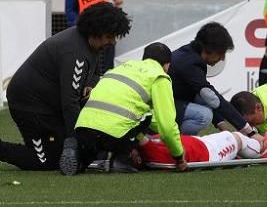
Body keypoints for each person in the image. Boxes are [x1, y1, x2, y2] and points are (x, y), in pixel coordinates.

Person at [0, 2, 131, 172]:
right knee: (45, 161)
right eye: (109, 36)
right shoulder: (75, 54)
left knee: (68, 147)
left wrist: (89, 85)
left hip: (50, 104)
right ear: (95, 31)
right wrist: (73, 142)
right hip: (30, 105)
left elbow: (94, 74)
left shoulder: (90, 44)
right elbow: (70, 103)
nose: (113, 42)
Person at [68, 42, 187, 175]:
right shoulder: (159, 76)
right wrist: (179, 155)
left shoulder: (121, 68)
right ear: (167, 65)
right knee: (145, 114)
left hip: (84, 126)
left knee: (93, 147)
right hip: (111, 133)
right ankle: (120, 160)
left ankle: (79, 154)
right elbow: (167, 126)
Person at [169, 22, 261, 140]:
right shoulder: (190, 64)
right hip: (162, 108)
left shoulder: (189, 54)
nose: (222, 58)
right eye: (221, 53)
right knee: (204, 115)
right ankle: (174, 142)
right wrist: (250, 132)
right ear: (208, 50)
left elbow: (203, 97)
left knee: (202, 98)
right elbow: (214, 99)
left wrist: (221, 124)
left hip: (172, 101)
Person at [65, 0, 123, 73]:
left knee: (110, 46)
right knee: (88, 53)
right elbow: (70, 11)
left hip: (105, 24)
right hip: (88, 27)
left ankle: (109, 73)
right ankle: (89, 74)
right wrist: (77, 28)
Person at [134, 127, 267, 168]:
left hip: (199, 143)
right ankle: (263, 151)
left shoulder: (146, 146)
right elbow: (138, 134)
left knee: (231, 136)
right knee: (236, 137)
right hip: (209, 154)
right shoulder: (148, 149)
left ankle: (245, 150)